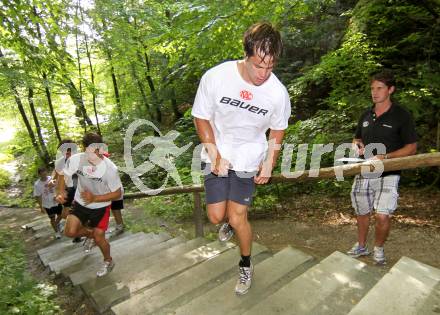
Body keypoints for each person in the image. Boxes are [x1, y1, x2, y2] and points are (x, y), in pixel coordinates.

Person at [192, 22, 291, 295]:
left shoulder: (277, 92)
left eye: (270, 66)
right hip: (217, 152)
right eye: (259, 65)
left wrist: (269, 161)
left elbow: (278, 128)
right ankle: (225, 221)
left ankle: (245, 265)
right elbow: (200, 115)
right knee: (215, 216)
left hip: (248, 158)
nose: (264, 73)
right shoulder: (216, 77)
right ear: (246, 55)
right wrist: (213, 152)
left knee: (238, 219)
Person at [347, 70, 417, 264]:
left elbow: (411, 147)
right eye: (372, 88)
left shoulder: (401, 115)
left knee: (382, 215)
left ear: (390, 90)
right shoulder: (366, 115)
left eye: (379, 88)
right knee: (362, 212)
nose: (374, 92)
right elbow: (357, 137)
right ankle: (361, 246)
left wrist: (386, 156)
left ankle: (378, 249)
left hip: (389, 172)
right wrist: (356, 145)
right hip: (364, 171)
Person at [56, 133, 122, 277]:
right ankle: (91, 235)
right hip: (80, 202)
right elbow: (62, 174)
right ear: (84, 149)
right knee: (70, 232)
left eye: (98, 151)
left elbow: (117, 194)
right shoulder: (76, 160)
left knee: (100, 238)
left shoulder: (110, 169)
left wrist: (95, 198)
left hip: (101, 207)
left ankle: (108, 261)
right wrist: (60, 191)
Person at [53, 138, 81, 243]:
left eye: (70, 150)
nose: (67, 153)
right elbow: (58, 175)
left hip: (80, 188)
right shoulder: (60, 162)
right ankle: (80, 229)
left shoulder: (79, 159)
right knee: (65, 214)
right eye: (64, 151)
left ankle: (81, 232)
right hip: (68, 189)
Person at [34, 167, 63, 239]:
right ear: (39, 174)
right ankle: (57, 232)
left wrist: (59, 195)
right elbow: (38, 196)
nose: (44, 174)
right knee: (52, 218)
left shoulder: (52, 178)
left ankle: (57, 224)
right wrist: (41, 207)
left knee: (61, 215)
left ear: (46, 172)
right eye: (42, 173)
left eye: (45, 172)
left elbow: (59, 187)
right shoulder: (37, 184)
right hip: (47, 204)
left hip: (57, 201)